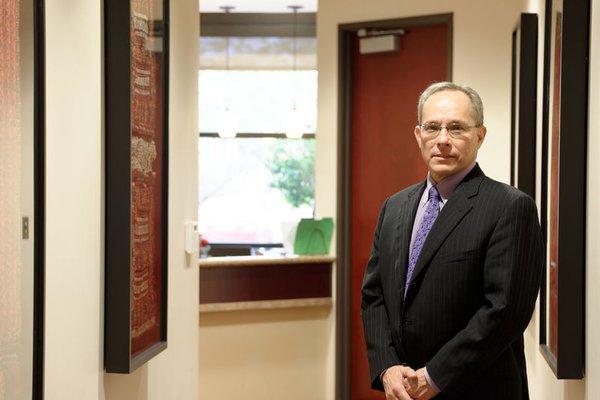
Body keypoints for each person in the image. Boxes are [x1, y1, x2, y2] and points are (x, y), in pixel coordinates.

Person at [361, 82, 544, 400]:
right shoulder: (395, 206)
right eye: (433, 127)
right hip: (404, 390)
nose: (442, 140)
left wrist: (435, 376)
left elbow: (504, 311)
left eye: (456, 128)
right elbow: (374, 296)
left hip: (478, 389)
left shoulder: (510, 207)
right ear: (419, 135)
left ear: (480, 135)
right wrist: (387, 366)